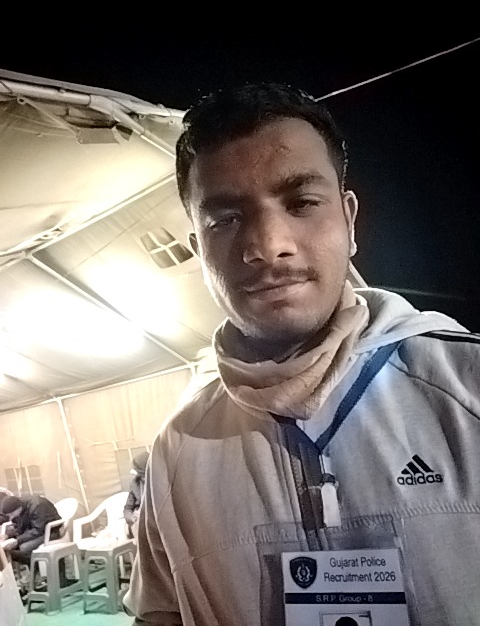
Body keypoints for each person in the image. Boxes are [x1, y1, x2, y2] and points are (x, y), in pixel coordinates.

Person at [123, 82, 480, 625]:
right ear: (198, 249)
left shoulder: (465, 386)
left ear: (349, 221)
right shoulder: (177, 451)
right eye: (225, 219)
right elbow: (160, 614)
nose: (269, 245)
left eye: (302, 203)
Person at [124, 451, 149, 540]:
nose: (132, 472)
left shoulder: (160, 483)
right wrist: (132, 517)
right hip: (139, 522)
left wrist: (144, 513)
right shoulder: (135, 484)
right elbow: (127, 508)